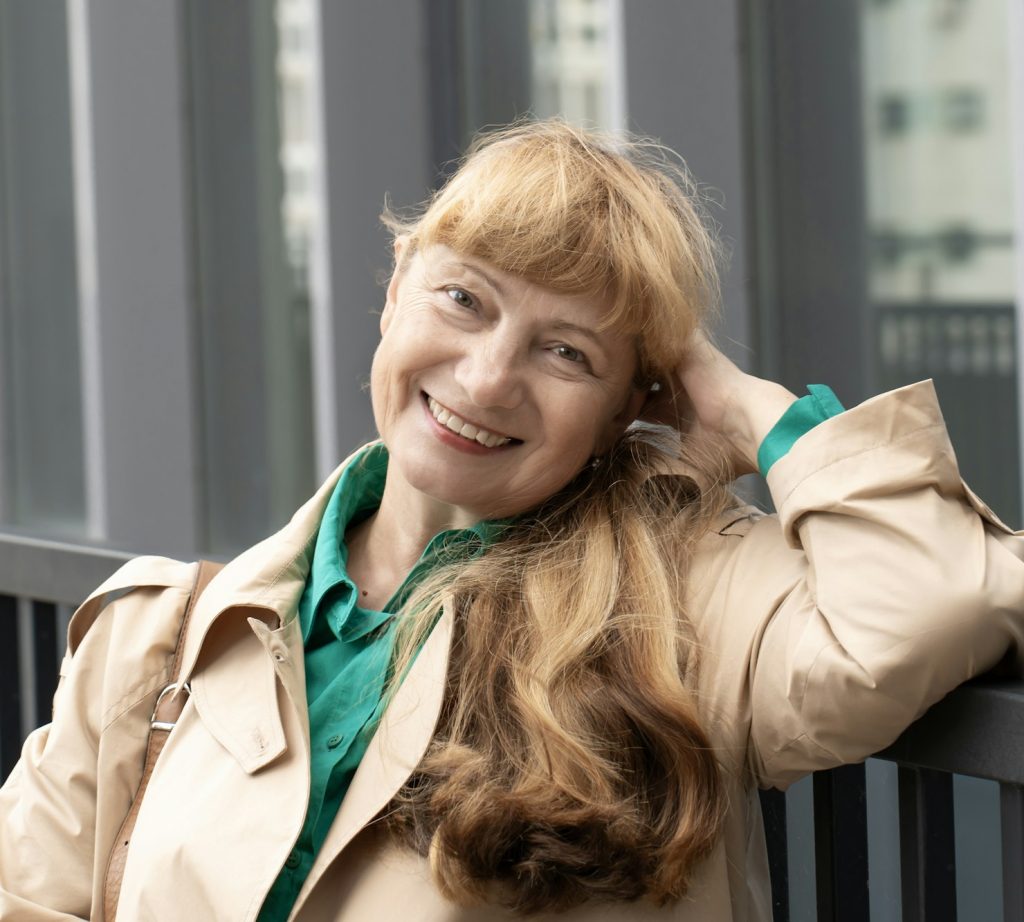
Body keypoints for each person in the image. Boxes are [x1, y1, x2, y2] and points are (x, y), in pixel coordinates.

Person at [1, 119, 1023, 922]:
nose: (486, 379)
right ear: (396, 289)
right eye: (464, 300)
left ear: (633, 407)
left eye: (566, 352)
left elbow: (927, 601)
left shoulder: (680, 606)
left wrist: (748, 408)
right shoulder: (155, 640)